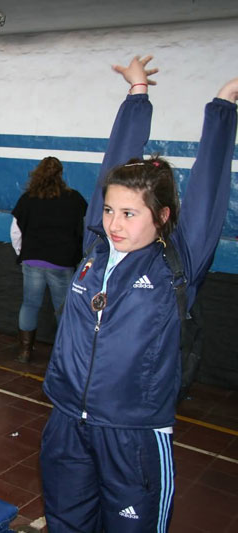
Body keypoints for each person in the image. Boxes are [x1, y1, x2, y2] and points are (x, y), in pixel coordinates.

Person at [40, 56, 238, 531]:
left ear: (164, 216)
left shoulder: (179, 264)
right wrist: (137, 95)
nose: (114, 224)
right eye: (110, 210)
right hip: (67, 422)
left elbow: (210, 186)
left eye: (130, 214)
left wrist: (225, 103)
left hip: (133, 434)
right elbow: (114, 163)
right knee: (67, 523)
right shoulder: (95, 248)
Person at [10, 156, 87, 362]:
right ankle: (63, 353)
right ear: (60, 174)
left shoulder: (27, 199)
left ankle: (25, 351)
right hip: (61, 261)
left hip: (32, 259)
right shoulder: (74, 199)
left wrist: (23, 253)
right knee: (62, 308)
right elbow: (84, 228)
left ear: (37, 173)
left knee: (29, 304)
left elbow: (15, 231)